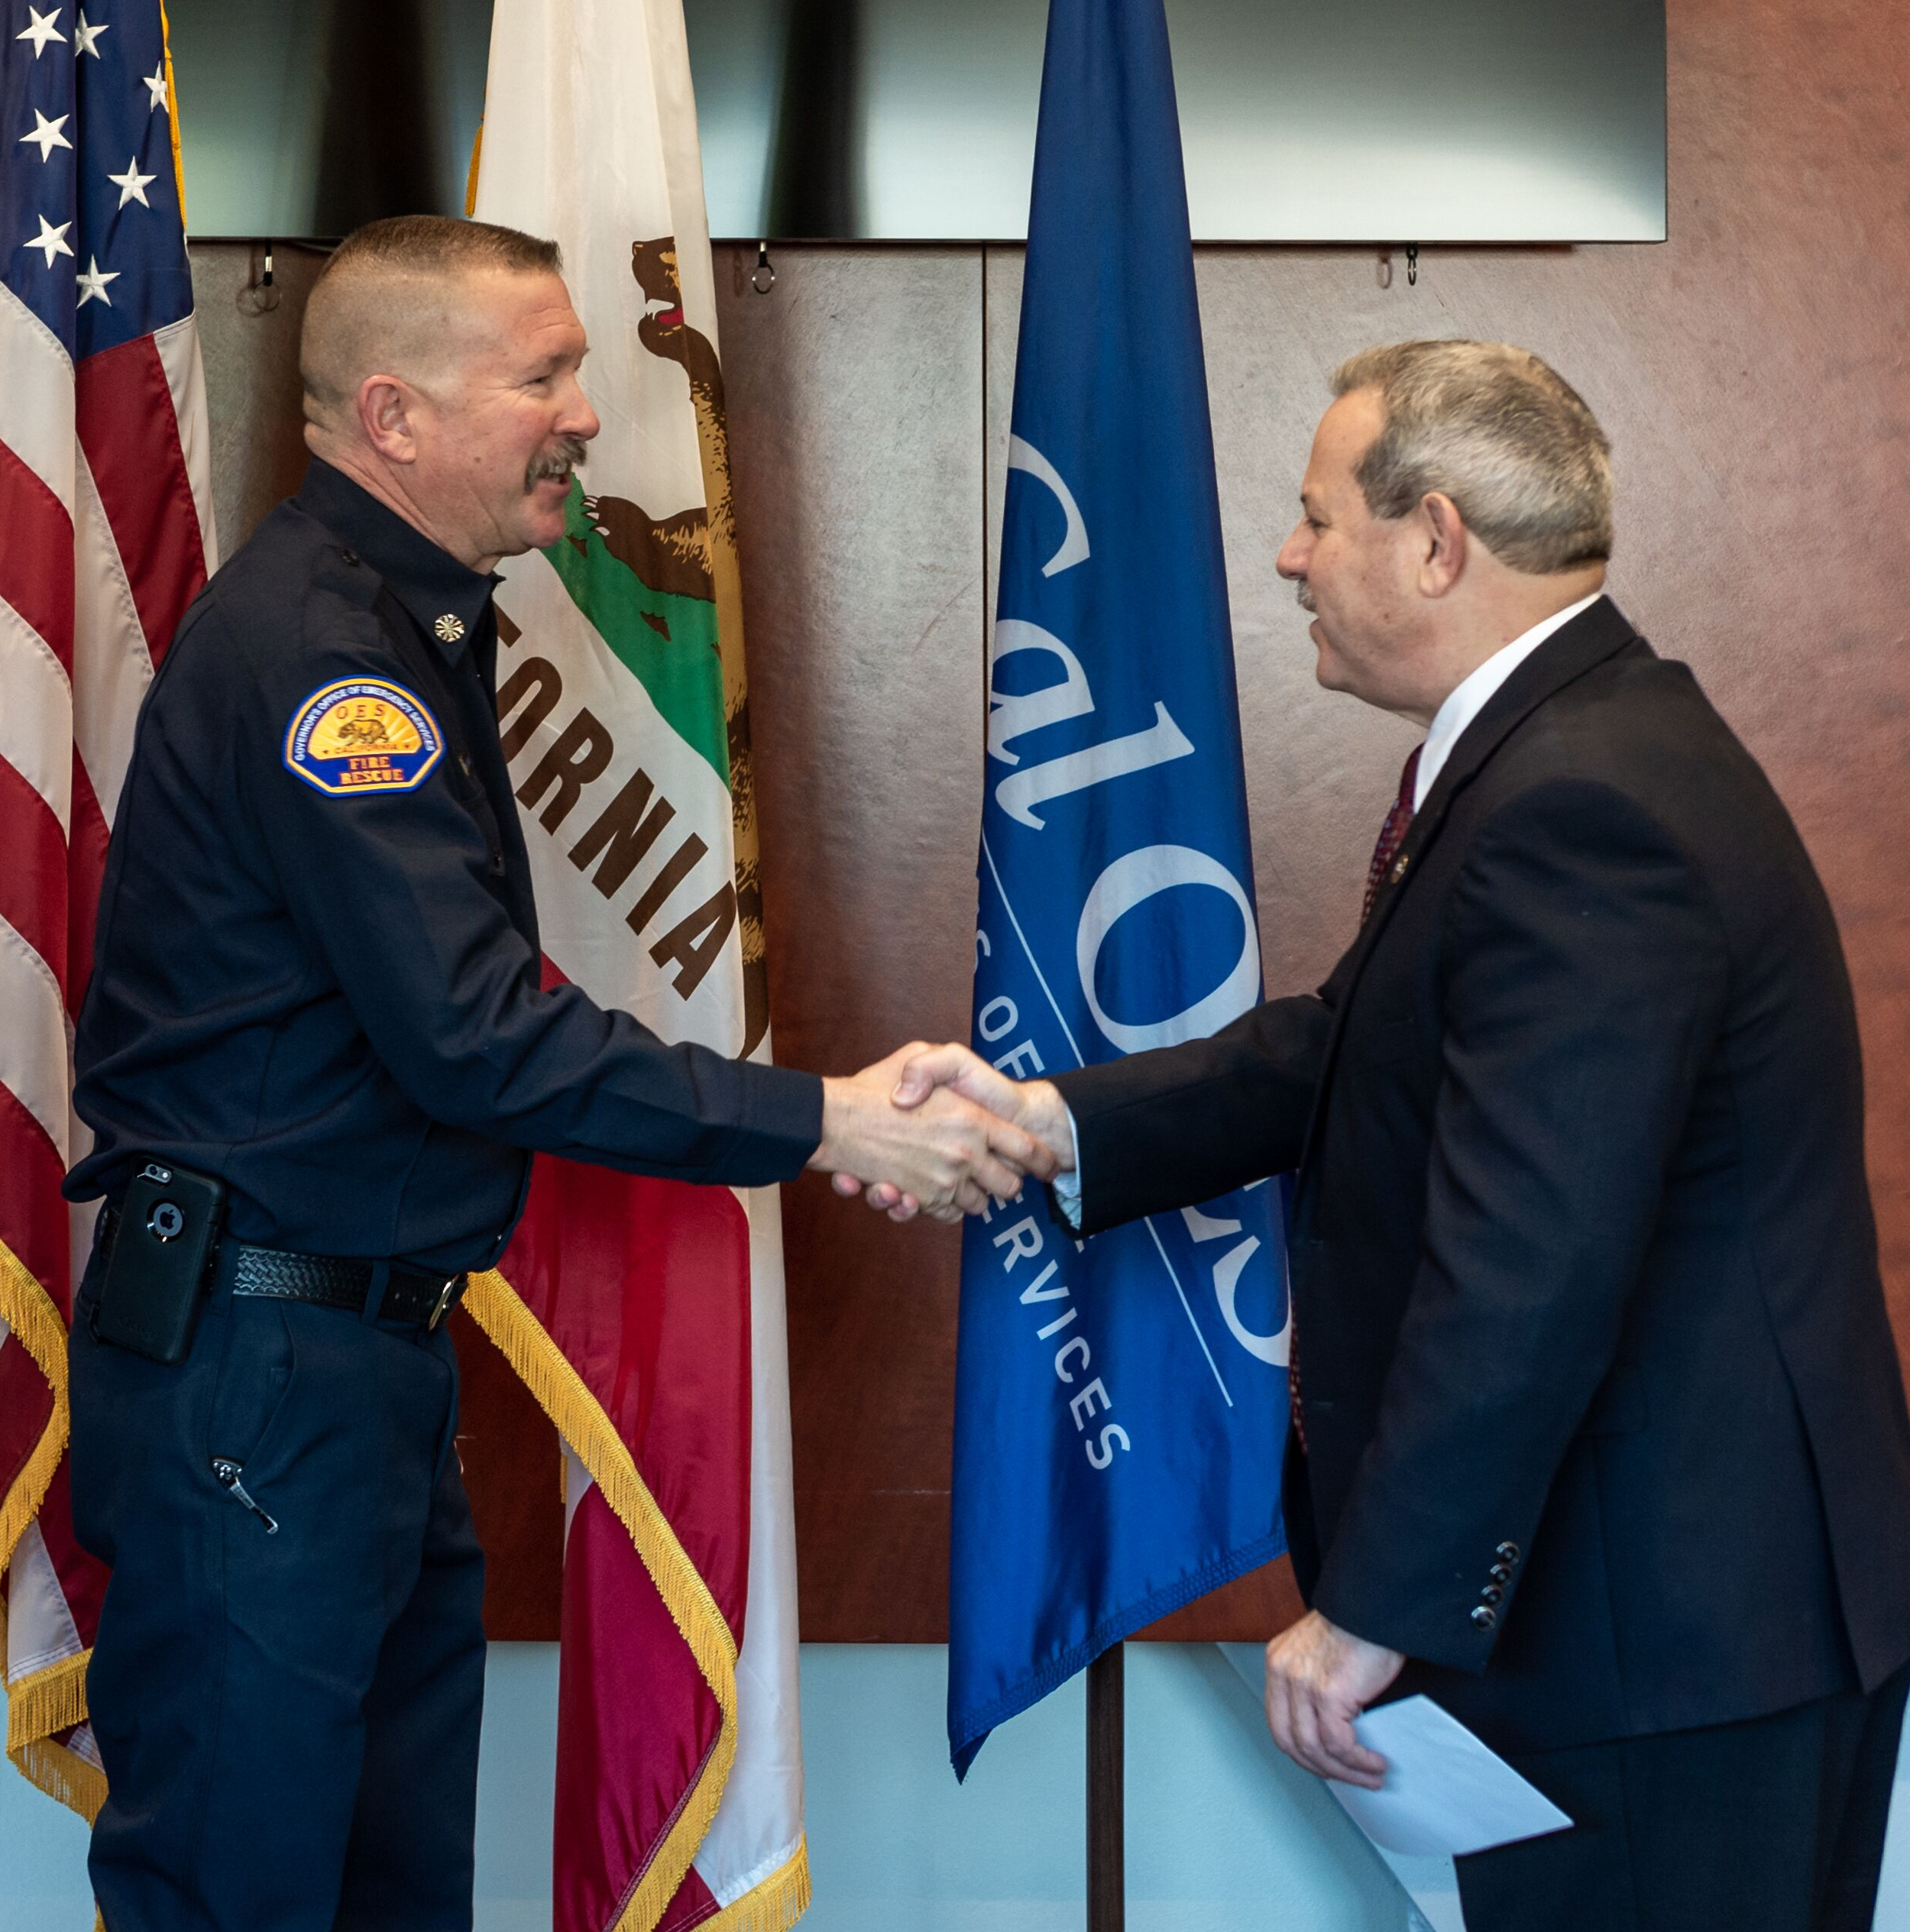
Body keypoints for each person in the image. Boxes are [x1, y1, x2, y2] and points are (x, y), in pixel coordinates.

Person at [62, 214, 1052, 1932]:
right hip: (262, 1376)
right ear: (393, 415)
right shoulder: (326, 659)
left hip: (347, 1362)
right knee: (237, 1893)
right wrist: (820, 1118)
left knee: (380, 1896)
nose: (588, 414)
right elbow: (473, 1040)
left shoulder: (402, 623)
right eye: (545, 375)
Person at [871, 341, 1910, 1930]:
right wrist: (1048, 1119)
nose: (1287, 558)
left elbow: (1530, 1261)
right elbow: (1343, 1050)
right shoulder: (1569, 754)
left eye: (1312, 520)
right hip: (1681, 1627)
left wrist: (1376, 1605)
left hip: (1664, 1642)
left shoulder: (1580, 805)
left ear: (1432, 540)